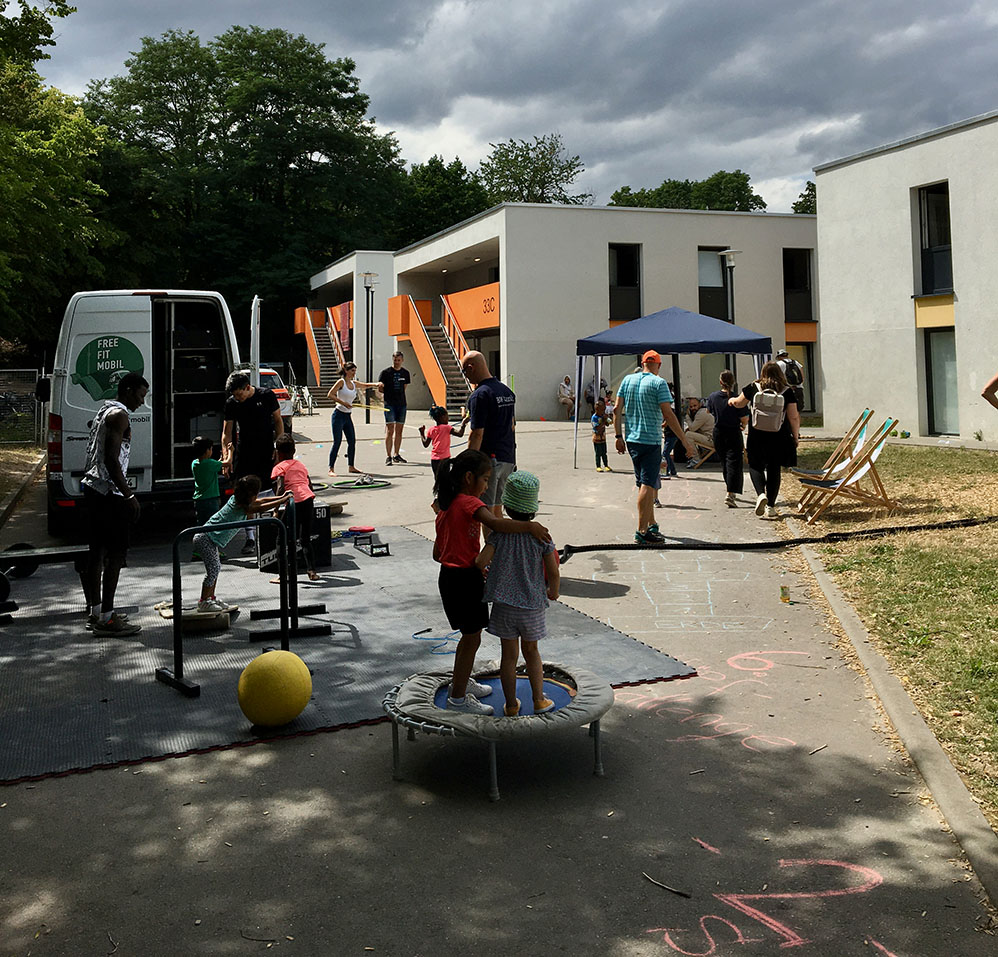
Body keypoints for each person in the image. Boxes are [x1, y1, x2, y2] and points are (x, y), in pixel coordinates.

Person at [433, 449, 550, 715]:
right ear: (468, 478)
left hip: (449, 577)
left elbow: (437, 552)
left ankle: (459, 685)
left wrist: (463, 552)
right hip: (464, 579)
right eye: (485, 479)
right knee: (471, 639)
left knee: (468, 637)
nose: (487, 485)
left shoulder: (447, 503)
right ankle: (458, 699)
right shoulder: (470, 504)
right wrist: (530, 527)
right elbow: (497, 526)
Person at [476, 471, 559, 716]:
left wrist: (487, 571)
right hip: (532, 605)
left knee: (508, 657)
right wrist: (553, 591)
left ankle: (511, 705)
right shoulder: (541, 536)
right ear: (533, 508)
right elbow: (553, 570)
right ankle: (538, 700)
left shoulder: (498, 535)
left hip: (504, 606)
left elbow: (481, 562)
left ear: (508, 507)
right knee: (532, 652)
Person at [81, 371, 148, 636]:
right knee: (116, 554)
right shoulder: (119, 416)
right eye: (141, 396)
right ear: (129, 390)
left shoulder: (104, 411)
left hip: (92, 488)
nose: (142, 402)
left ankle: (96, 612)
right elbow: (111, 459)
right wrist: (129, 495)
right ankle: (108, 618)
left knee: (95, 551)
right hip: (109, 493)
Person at [614, 351, 697, 543]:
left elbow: (618, 409)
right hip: (650, 440)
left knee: (643, 483)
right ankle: (642, 532)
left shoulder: (628, 380)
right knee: (648, 484)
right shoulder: (659, 383)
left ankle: (651, 522)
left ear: (642, 363)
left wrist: (618, 436)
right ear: (658, 365)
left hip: (633, 439)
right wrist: (684, 442)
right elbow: (668, 414)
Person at [192, 476, 292, 612]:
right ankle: (204, 602)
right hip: (205, 538)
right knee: (213, 569)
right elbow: (260, 508)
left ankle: (210, 599)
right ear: (250, 495)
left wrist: (281, 497)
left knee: (215, 568)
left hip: (209, 539)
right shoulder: (239, 506)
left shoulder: (239, 501)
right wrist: (282, 500)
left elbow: (261, 501)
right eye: (256, 493)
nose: (257, 496)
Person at [728, 361, 800, 519]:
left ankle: (761, 494)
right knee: (774, 469)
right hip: (779, 436)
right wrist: (795, 436)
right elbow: (793, 417)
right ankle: (771, 507)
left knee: (755, 466)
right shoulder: (787, 391)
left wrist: (731, 401)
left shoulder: (754, 387)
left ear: (763, 372)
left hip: (757, 434)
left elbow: (739, 403)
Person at [222, 371, 284, 554]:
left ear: (247, 387)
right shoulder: (232, 403)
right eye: (234, 395)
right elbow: (227, 431)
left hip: (266, 450)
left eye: (239, 394)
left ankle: (276, 530)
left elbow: (278, 421)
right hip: (245, 452)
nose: (237, 398)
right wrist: (227, 456)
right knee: (246, 494)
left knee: (272, 489)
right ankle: (250, 538)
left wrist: (278, 447)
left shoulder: (266, 396)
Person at [462, 350, 517, 519]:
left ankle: (491, 545)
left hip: (489, 461)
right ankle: (501, 545)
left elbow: (477, 434)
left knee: (485, 510)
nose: (466, 376)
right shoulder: (506, 391)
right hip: (508, 457)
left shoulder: (480, 395)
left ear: (471, 368)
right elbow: (513, 425)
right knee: (498, 508)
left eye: (465, 371)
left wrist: (468, 464)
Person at [271, 434, 319, 581]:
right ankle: (312, 571)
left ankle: (282, 575)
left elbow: (280, 488)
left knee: (281, 540)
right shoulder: (300, 465)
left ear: (277, 453)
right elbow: (309, 484)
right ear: (294, 450)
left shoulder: (279, 467)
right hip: (308, 500)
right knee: (305, 538)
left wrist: (275, 509)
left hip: (293, 503)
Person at [326, 362, 377, 477]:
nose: (354, 373)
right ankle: (331, 468)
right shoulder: (341, 382)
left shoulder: (353, 383)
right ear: (347, 371)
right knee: (337, 442)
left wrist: (376, 384)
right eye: (352, 371)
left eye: (355, 371)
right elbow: (330, 394)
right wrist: (343, 403)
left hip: (347, 416)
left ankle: (351, 466)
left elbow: (365, 385)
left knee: (352, 441)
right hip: (338, 415)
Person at [706, 370, 748, 507]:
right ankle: (731, 492)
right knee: (734, 462)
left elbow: (709, 411)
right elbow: (744, 418)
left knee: (724, 461)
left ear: (720, 382)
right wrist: (743, 425)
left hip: (718, 432)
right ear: (733, 382)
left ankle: (729, 488)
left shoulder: (713, 397)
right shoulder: (737, 398)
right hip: (733, 431)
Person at [419, 405, 469, 492]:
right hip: (445, 458)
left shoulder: (431, 430)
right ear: (442, 417)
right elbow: (460, 434)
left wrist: (422, 433)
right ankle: (445, 494)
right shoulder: (447, 428)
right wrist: (463, 424)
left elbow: (425, 444)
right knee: (446, 477)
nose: (448, 419)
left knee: (438, 478)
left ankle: (438, 493)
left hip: (434, 459)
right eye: (447, 417)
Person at [378, 351, 411, 465]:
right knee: (390, 429)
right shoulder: (385, 373)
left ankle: (396, 454)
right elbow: (380, 389)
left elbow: (404, 387)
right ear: (392, 360)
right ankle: (388, 456)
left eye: (398, 360)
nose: (396, 362)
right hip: (389, 404)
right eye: (395, 360)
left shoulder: (405, 373)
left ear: (402, 360)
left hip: (401, 404)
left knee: (399, 430)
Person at [191, 435, 224, 526]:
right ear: (206, 451)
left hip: (199, 500)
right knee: (213, 525)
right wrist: (231, 451)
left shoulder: (194, 463)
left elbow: (215, 465)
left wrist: (220, 460)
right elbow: (228, 463)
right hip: (211, 500)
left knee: (202, 524)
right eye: (211, 449)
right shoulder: (210, 463)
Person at [683, 396, 716, 468]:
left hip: (711, 440)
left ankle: (695, 459)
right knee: (687, 433)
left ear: (700, 405)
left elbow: (692, 428)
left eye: (695, 406)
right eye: (691, 407)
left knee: (688, 435)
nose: (693, 408)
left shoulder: (702, 413)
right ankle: (695, 457)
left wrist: (687, 416)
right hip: (709, 437)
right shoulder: (701, 412)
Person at [591, 398, 611, 471]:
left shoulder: (602, 416)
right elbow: (597, 428)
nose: (603, 412)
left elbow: (608, 424)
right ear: (597, 410)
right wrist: (602, 420)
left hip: (603, 437)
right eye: (602, 410)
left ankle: (606, 465)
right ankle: (598, 466)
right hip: (597, 437)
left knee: (604, 452)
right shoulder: (594, 417)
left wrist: (607, 420)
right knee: (598, 453)